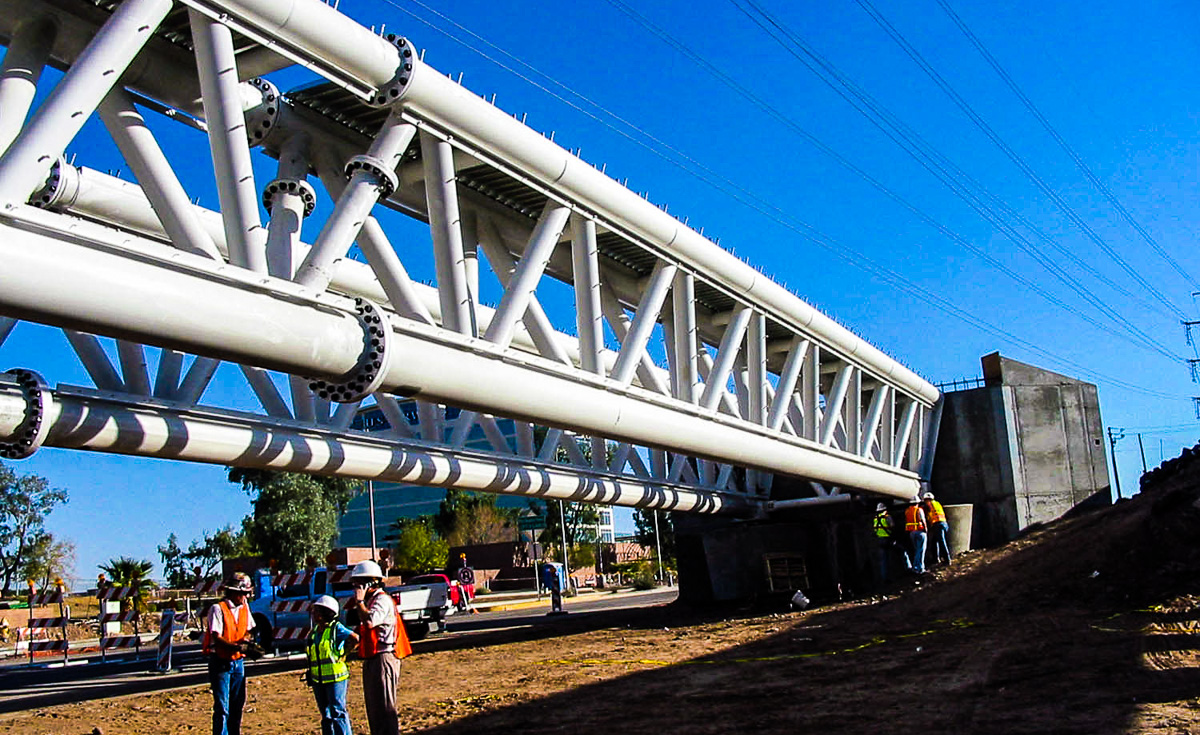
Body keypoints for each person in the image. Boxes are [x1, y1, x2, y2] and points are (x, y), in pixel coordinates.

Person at [344, 560, 412, 735]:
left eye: (358, 584)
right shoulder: (372, 601)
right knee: (375, 709)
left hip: (384, 658)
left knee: (384, 709)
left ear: (370, 582)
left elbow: (369, 622)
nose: (355, 588)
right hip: (373, 658)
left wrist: (359, 601)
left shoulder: (381, 600)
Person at [203, 572, 257, 735]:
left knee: (237, 704)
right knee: (222, 707)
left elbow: (249, 629)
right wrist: (236, 647)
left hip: (238, 663)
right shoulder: (218, 609)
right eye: (243, 593)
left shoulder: (244, 607)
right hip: (221, 662)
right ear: (233, 592)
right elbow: (216, 637)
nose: (245, 597)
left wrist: (246, 641)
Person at [305, 595, 358, 735]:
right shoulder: (314, 632)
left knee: (337, 711)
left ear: (325, 613)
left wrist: (345, 653)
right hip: (318, 679)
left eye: (316, 610)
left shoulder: (336, 628)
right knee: (326, 714)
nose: (313, 613)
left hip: (335, 678)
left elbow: (355, 638)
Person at [872, 502, 911, 583]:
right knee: (902, 551)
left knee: (884, 560)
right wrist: (894, 539)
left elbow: (875, 531)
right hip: (888, 539)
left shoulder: (876, 519)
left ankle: (885, 578)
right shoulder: (887, 517)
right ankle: (908, 568)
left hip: (880, 540)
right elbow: (893, 528)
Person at [922, 491, 952, 566]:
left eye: (925, 501)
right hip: (943, 523)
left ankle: (947, 559)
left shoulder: (931, 504)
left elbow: (930, 515)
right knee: (934, 542)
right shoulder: (937, 504)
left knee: (941, 542)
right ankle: (935, 559)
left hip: (938, 524)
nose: (925, 503)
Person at [904, 498, 928, 574]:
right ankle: (919, 568)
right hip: (920, 531)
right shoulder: (918, 510)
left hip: (911, 533)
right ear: (917, 503)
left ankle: (917, 567)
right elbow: (922, 520)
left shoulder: (907, 511)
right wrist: (926, 529)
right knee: (921, 550)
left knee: (917, 550)